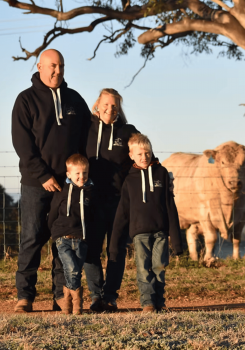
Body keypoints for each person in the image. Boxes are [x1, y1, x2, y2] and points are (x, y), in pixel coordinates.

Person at [12, 49, 91, 312]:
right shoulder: (25, 100)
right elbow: (23, 144)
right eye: (52, 66)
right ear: (40, 67)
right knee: (32, 238)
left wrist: (78, 176)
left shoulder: (75, 101)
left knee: (64, 239)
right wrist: (43, 174)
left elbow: (84, 141)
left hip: (67, 187)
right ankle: (25, 296)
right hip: (36, 183)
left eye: (61, 66)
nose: (57, 71)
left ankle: (61, 295)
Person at [109, 134, 183, 313]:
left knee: (159, 266)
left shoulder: (162, 173)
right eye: (140, 154)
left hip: (160, 233)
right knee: (143, 268)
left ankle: (159, 302)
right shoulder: (129, 180)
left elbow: (169, 205)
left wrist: (177, 239)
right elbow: (122, 212)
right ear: (131, 155)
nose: (144, 157)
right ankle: (147, 303)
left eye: (147, 152)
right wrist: (114, 242)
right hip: (139, 233)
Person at [84, 88, 139, 311]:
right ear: (97, 104)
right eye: (106, 104)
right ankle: (96, 296)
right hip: (91, 200)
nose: (110, 108)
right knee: (91, 249)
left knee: (116, 250)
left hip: (118, 202)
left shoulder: (127, 131)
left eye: (115, 105)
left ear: (119, 109)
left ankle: (110, 296)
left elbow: (144, 156)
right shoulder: (84, 128)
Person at [48, 154, 94, 315]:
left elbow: (93, 216)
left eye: (85, 173)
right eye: (77, 173)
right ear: (69, 174)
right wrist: (54, 232)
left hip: (81, 239)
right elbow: (53, 213)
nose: (82, 177)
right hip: (63, 238)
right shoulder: (62, 191)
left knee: (75, 271)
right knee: (72, 269)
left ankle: (67, 302)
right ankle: (77, 305)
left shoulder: (90, 192)